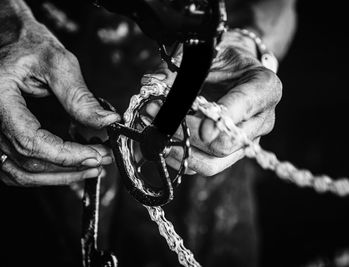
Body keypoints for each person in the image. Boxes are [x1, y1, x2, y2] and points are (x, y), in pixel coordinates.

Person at [0, 0, 296, 266]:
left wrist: (246, 42)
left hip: (197, 124)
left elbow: (279, 7)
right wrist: (6, 23)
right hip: (38, 101)